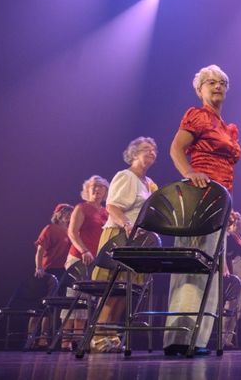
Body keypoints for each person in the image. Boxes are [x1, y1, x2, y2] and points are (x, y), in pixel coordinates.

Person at [165, 64, 241, 356]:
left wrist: (230, 206)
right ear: (200, 89)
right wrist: (189, 173)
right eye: (211, 82)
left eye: (222, 82)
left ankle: (198, 339)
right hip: (199, 198)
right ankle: (179, 337)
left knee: (211, 270)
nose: (218, 86)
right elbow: (176, 149)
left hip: (221, 201)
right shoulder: (197, 116)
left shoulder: (227, 127)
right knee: (193, 266)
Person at [88, 136, 159, 353]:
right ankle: (98, 335)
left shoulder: (149, 183)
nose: (152, 153)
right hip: (119, 235)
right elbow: (112, 206)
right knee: (113, 288)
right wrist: (127, 224)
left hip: (137, 241)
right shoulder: (125, 176)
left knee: (126, 290)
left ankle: (112, 335)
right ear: (134, 153)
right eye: (146, 149)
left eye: (154, 150)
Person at [62, 176, 109, 340]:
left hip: (96, 262)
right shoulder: (82, 207)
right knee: (74, 300)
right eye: (93, 186)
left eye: (101, 187)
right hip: (79, 258)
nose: (97, 190)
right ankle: (67, 341)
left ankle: (79, 339)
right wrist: (84, 251)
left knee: (88, 300)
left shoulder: (106, 211)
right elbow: (72, 232)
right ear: (86, 190)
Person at [30, 203, 73, 348]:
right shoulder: (50, 229)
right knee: (42, 306)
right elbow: (40, 250)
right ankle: (31, 338)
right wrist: (39, 267)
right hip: (49, 271)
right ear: (58, 215)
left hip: (64, 271)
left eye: (70, 213)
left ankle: (44, 338)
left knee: (56, 307)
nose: (68, 216)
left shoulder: (71, 231)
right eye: (65, 213)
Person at [224, 211, 241, 348]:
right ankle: (223, 337)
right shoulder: (228, 236)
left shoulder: (237, 236)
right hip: (235, 273)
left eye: (240, 219)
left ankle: (229, 338)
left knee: (237, 308)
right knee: (229, 306)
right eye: (236, 219)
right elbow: (228, 255)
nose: (239, 221)